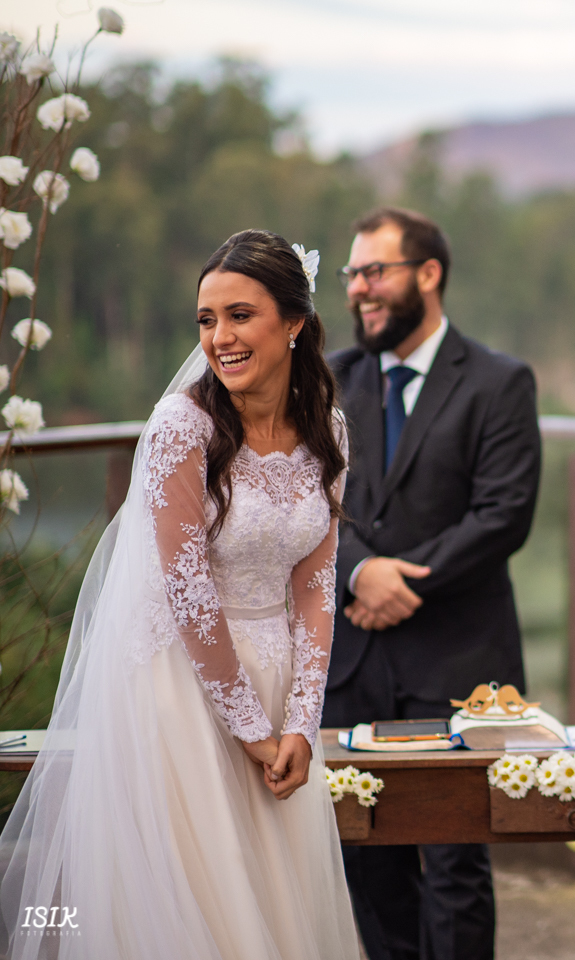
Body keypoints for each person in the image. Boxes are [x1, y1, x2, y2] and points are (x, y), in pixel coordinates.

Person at [0, 230, 360, 960]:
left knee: (277, 900)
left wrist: (300, 720)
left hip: (279, 677)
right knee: (203, 903)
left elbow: (317, 584)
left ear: (293, 323)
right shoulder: (181, 426)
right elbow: (186, 589)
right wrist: (250, 727)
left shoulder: (329, 428)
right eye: (206, 319)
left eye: (240, 316)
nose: (219, 338)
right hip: (183, 691)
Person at [321, 207, 541, 960]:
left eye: (375, 272)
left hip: (458, 665)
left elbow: (504, 514)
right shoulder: (328, 380)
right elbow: (301, 497)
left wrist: (399, 583)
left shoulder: (500, 381)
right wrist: (358, 570)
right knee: (367, 863)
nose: (359, 290)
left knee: (456, 867)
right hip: (348, 663)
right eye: (353, 275)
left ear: (428, 274)